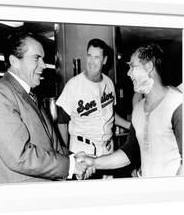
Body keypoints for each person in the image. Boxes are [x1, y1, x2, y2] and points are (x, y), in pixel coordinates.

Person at [0, 28, 94, 184]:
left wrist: (72, 158)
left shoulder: (30, 94)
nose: (44, 65)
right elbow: (20, 156)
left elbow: (51, 143)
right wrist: (71, 166)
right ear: (15, 61)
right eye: (36, 58)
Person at [80, 43, 183, 178]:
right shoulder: (138, 110)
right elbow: (129, 153)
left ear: (149, 67)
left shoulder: (177, 103)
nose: (128, 73)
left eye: (132, 66)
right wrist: (93, 162)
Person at [56, 38, 130, 178]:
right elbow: (62, 122)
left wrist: (130, 125)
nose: (91, 61)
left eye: (96, 57)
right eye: (89, 55)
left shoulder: (109, 83)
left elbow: (110, 114)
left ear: (105, 60)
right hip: (83, 150)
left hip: (108, 150)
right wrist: (66, 156)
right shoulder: (74, 85)